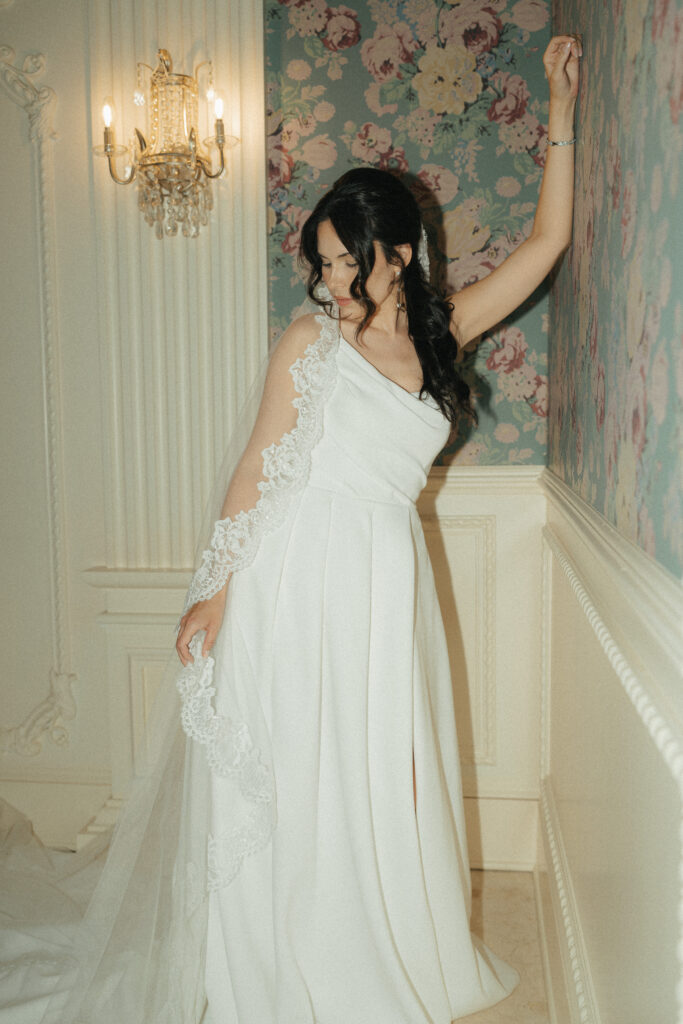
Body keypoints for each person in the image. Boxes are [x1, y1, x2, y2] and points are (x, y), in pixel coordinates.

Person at [171, 32, 581, 1024]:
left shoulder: (442, 324)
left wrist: (559, 121)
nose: (333, 283)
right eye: (321, 264)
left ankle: (374, 940)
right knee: (302, 764)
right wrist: (215, 587)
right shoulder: (309, 339)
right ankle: (281, 962)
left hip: (381, 568)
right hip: (294, 571)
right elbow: (259, 464)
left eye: (348, 263)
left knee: (379, 762)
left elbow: (544, 246)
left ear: (401, 251)